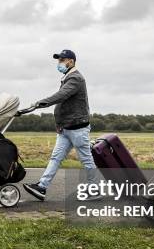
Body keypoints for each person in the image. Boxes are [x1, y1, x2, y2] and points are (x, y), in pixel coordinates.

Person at [23, 49, 98, 201]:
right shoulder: (68, 77)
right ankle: (42, 187)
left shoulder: (76, 79)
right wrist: (60, 125)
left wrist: (39, 103)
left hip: (77, 128)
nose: (59, 63)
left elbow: (61, 96)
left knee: (86, 160)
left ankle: (95, 190)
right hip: (66, 129)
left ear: (71, 61)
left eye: (62, 60)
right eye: (59, 61)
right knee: (55, 158)